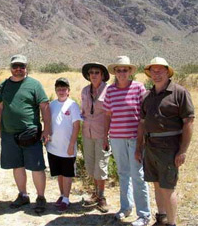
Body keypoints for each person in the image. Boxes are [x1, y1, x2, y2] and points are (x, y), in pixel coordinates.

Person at [135, 57, 195, 226]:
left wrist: (182, 150)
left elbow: (188, 122)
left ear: (168, 72)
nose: (156, 74)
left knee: (168, 188)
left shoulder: (179, 92)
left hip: (170, 148)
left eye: (160, 70)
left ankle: (172, 223)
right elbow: (142, 124)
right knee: (156, 184)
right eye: (153, 71)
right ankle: (161, 218)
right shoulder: (147, 96)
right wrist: (139, 147)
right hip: (150, 146)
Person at [0, 54, 51, 214]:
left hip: (30, 134)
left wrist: (47, 130)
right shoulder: (4, 85)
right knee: (17, 166)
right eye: (15, 66)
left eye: (22, 66)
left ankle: (41, 197)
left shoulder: (34, 84)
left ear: (26, 68)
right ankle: (23, 195)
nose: (18, 69)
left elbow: (45, 107)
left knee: (36, 167)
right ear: (11, 67)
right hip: (9, 134)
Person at [103, 56, 151, 226]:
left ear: (130, 72)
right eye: (118, 70)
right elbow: (107, 116)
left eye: (125, 70)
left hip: (135, 138)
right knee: (123, 173)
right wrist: (105, 137)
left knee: (138, 175)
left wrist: (142, 139)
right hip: (116, 138)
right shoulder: (110, 91)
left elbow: (144, 115)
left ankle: (144, 214)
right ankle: (125, 207)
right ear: (114, 72)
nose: (122, 73)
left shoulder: (138, 88)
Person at [46, 78, 82, 213]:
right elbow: (48, 123)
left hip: (68, 147)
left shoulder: (72, 105)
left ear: (68, 91)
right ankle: (61, 195)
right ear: (55, 90)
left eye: (64, 89)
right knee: (59, 173)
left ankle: (67, 199)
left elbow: (76, 126)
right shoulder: (52, 105)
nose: (61, 91)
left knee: (67, 173)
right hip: (53, 146)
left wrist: (71, 144)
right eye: (59, 89)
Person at [80, 62, 111, 213]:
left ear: (103, 75)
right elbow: (83, 111)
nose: (93, 75)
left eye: (97, 72)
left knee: (101, 166)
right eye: (91, 72)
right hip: (87, 133)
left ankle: (102, 196)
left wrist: (107, 136)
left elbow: (110, 114)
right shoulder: (85, 91)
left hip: (102, 134)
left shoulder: (109, 90)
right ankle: (95, 193)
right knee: (91, 166)